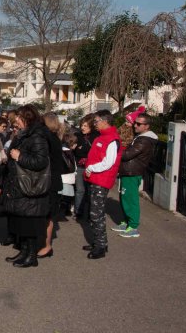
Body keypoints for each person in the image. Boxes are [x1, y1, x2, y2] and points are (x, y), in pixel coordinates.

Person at [2, 104, 50, 268]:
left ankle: (31, 255)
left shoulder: (37, 136)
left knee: (28, 224)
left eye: (19, 119)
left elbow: (41, 161)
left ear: (27, 119)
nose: (16, 122)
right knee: (21, 223)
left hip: (29, 186)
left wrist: (20, 156)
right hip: (20, 186)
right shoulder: (24, 135)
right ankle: (23, 252)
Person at [83, 109, 123, 259]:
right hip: (94, 179)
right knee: (95, 213)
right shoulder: (102, 137)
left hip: (101, 180)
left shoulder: (112, 139)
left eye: (96, 121)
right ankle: (99, 242)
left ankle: (100, 246)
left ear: (105, 121)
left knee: (97, 214)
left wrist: (91, 168)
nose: (95, 124)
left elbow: (108, 162)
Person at [113, 113, 158, 238]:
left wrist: (118, 149)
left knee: (130, 199)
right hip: (128, 171)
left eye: (139, 124)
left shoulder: (144, 140)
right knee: (124, 198)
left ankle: (133, 227)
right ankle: (127, 222)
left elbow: (127, 154)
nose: (135, 126)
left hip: (132, 172)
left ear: (147, 126)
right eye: (135, 123)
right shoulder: (140, 137)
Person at [38, 112, 66, 259]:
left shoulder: (49, 138)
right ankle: (45, 244)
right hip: (53, 181)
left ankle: (46, 245)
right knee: (47, 215)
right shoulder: (54, 137)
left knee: (47, 215)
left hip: (50, 182)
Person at [73, 114, 99, 220]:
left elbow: (91, 152)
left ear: (91, 126)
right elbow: (77, 151)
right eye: (81, 125)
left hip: (92, 167)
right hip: (80, 166)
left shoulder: (96, 136)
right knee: (80, 190)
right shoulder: (78, 135)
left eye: (85, 125)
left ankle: (90, 213)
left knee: (91, 192)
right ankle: (78, 211)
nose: (82, 128)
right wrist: (79, 149)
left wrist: (81, 149)